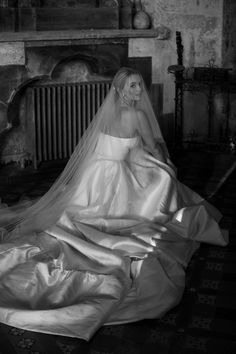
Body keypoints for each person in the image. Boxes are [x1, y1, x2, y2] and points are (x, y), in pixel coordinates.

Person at [0, 67, 228, 340]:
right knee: (164, 176)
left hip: (94, 174)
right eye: (132, 86)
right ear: (120, 90)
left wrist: (141, 155)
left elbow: (107, 148)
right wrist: (166, 163)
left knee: (133, 180)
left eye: (139, 85)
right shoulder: (137, 114)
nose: (138, 91)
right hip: (116, 176)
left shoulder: (105, 113)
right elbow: (151, 147)